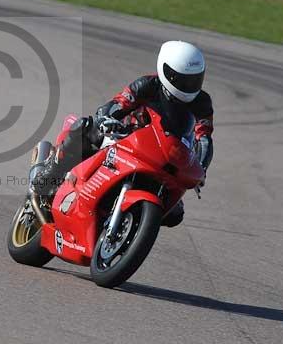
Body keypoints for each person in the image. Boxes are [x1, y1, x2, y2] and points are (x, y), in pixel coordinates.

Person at [30, 41, 214, 228]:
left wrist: (201, 168)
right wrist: (106, 119)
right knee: (85, 128)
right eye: (183, 80)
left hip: (165, 157)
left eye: (195, 79)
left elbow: (204, 137)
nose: (190, 86)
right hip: (126, 138)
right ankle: (48, 177)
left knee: (175, 214)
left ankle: (129, 227)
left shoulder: (202, 103)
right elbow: (120, 102)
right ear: (167, 72)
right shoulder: (148, 85)